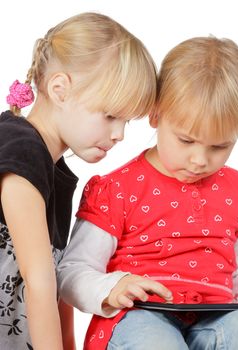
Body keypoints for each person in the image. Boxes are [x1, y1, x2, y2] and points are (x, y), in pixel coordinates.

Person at [57, 36, 238, 350]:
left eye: (220, 146)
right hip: (139, 318)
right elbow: (72, 272)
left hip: (216, 317)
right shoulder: (117, 190)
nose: (200, 160)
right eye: (186, 140)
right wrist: (112, 287)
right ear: (156, 115)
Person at [0, 12, 157, 350]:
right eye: (111, 115)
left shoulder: (55, 170)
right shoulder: (21, 152)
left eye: (127, 121)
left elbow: (55, 287)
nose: (119, 135)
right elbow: (38, 282)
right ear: (60, 89)